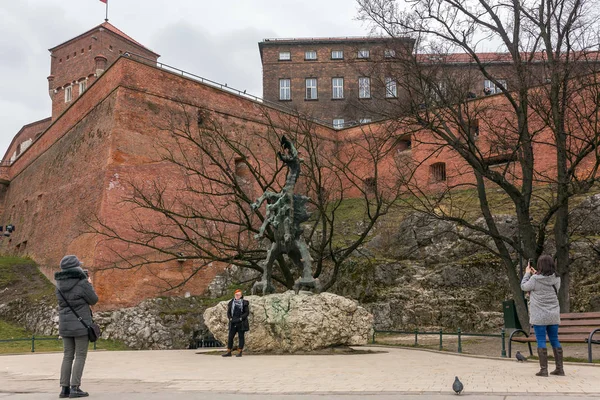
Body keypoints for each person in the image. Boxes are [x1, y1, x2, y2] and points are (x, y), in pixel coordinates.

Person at [55, 255, 99, 398]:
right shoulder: (82, 283)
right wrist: (89, 283)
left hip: (65, 325)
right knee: (80, 356)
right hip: (81, 324)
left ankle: (64, 389)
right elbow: (93, 300)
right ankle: (75, 387)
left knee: (67, 356)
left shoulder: (59, 285)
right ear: (76, 267)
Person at [520, 255, 564, 377]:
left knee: (541, 340)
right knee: (554, 339)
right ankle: (560, 369)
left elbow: (524, 286)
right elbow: (552, 288)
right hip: (553, 314)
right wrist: (536, 275)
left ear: (540, 266)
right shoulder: (557, 278)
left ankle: (543, 370)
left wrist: (527, 274)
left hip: (539, 316)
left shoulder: (534, 279)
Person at [222, 289, 250, 357]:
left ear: (241, 295)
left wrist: (241, 318)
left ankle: (240, 351)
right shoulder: (231, 302)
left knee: (241, 337)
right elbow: (228, 312)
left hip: (241, 322)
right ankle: (229, 352)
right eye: (236, 295)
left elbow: (247, 312)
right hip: (233, 322)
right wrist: (230, 318)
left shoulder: (244, 302)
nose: (237, 296)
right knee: (230, 337)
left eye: (238, 295)